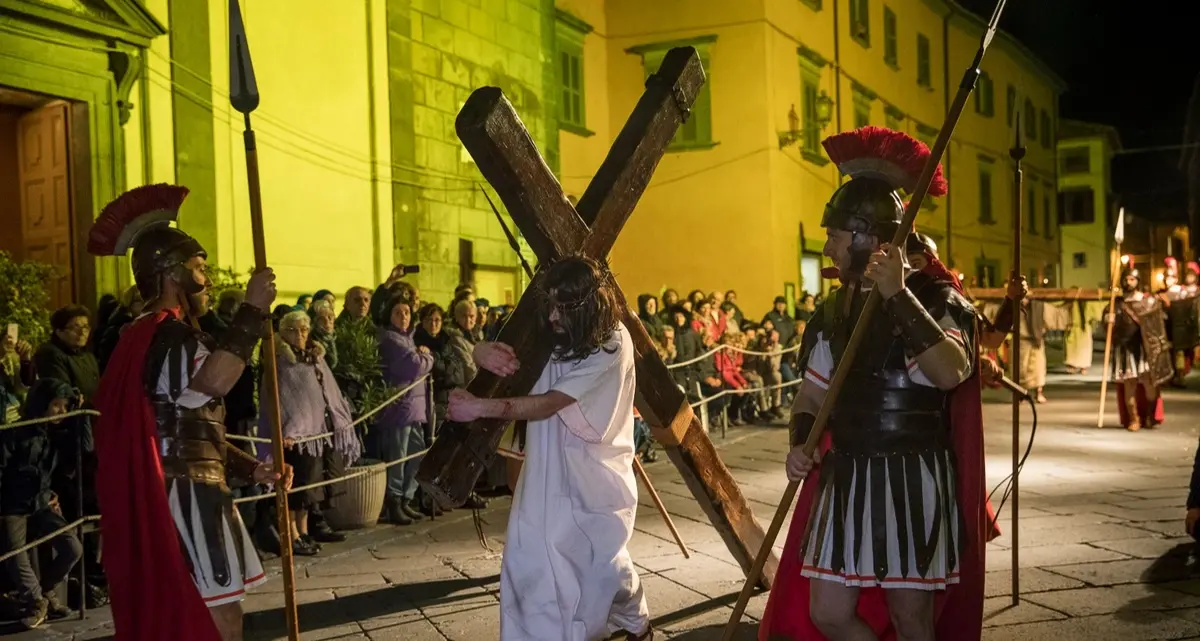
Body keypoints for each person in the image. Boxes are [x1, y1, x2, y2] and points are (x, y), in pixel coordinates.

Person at [759, 127, 988, 641]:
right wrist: (800, 441)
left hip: (912, 476)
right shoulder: (834, 311)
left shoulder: (935, 298)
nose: (827, 247)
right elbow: (814, 393)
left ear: (866, 236)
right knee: (829, 613)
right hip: (847, 476)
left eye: (836, 237)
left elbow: (951, 370)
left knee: (913, 621)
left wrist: (899, 296)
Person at [86, 184, 290, 641]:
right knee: (220, 615)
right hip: (189, 498)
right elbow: (214, 381)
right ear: (171, 274)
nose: (207, 279)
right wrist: (253, 310)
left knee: (206, 610)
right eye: (199, 269)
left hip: (184, 487)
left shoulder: (143, 337)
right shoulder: (169, 338)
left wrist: (249, 467)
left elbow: (183, 421)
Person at [447, 255, 652, 641]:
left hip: (593, 475)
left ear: (589, 307)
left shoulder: (612, 344)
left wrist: (478, 408)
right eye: (552, 306)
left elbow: (550, 402)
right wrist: (481, 351)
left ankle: (634, 622)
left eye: (564, 308)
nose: (554, 317)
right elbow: (501, 352)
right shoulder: (553, 332)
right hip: (544, 470)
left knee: (600, 567)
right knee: (530, 562)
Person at [1, 379, 84, 629]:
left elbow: (86, 447)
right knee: (15, 553)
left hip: (41, 503)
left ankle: (44, 591)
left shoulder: (55, 434)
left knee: (72, 547)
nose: (61, 411)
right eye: (56, 405)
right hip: (12, 505)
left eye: (65, 406)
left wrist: (81, 415)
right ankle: (35, 600)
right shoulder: (15, 432)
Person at [1106, 260, 1172, 431]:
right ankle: (1134, 419)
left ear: (1138, 281)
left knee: (1150, 385)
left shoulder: (1147, 301)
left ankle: (1149, 416)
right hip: (1125, 349)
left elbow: (1160, 321)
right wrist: (1109, 320)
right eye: (1126, 279)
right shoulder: (1116, 303)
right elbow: (1107, 326)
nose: (1129, 282)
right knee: (1129, 385)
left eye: (1132, 280)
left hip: (1145, 349)